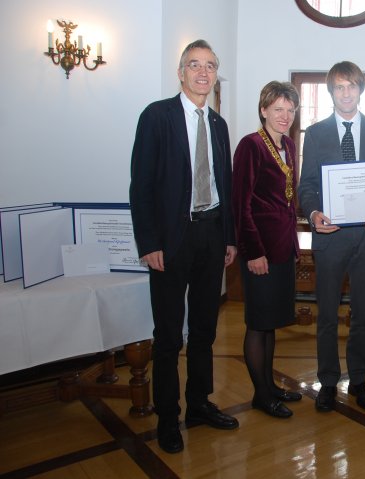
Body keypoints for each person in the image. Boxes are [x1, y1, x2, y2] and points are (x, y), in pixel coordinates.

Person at [129, 39, 239, 454]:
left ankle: (198, 405)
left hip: (211, 235)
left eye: (210, 65)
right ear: (180, 73)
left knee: (205, 329)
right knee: (169, 335)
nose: (203, 72)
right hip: (171, 241)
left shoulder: (219, 125)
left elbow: (224, 185)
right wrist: (149, 242)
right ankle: (167, 416)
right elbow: (141, 185)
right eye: (194, 64)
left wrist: (229, 237)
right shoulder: (157, 116)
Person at [297, 61, 365, 412]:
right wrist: (313, 214)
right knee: (326, 314)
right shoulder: (315, 133)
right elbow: (307, 186)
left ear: (361, 90)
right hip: (330, 238)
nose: (346, 92)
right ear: (331, 92)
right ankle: (327, 382)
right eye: (339, 87)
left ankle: (360, 380)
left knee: (363, 314)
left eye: (352, 85)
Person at [232, 81, 303, 419]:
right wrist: (253, 251)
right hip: (259, 250)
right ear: (263, 110)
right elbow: (241, 205)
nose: (285, 116)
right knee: (258, 324)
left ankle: (270, 386)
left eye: (290, 110)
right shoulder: (251, 145)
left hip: (282, 248)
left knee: (270, 322)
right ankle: (261, 395)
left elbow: (287, 200)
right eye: (278, 109)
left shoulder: (288, 144)